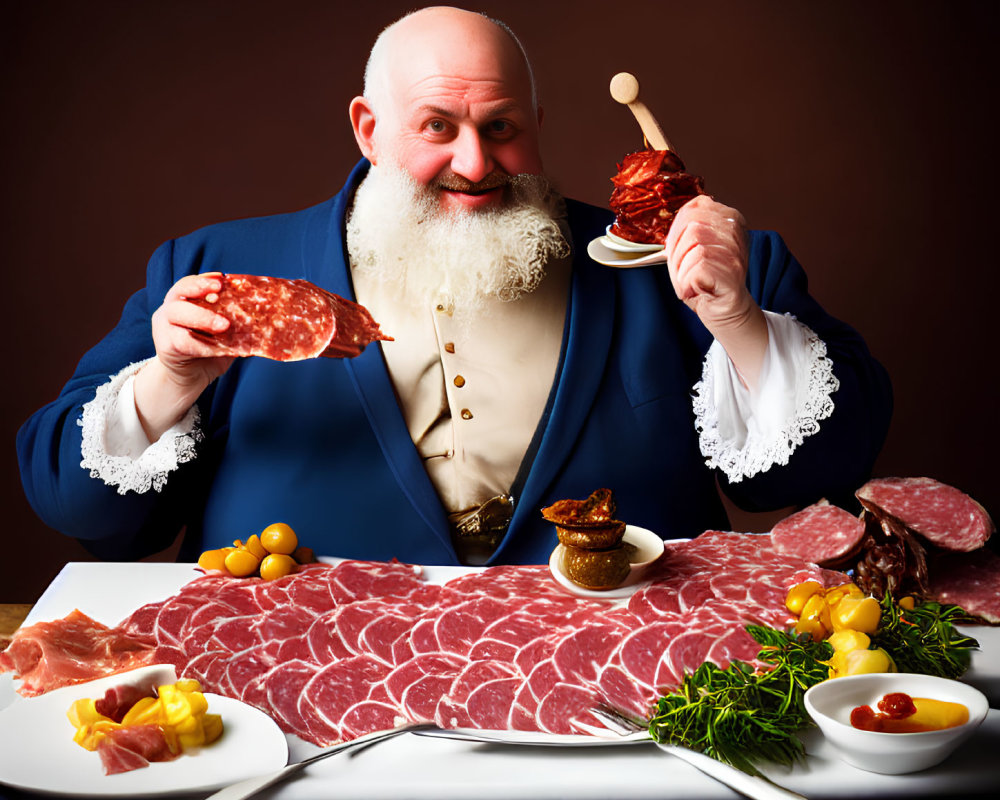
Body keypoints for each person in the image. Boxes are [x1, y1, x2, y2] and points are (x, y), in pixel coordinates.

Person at [17, 6, 891, 567]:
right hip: (301, 702)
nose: (476, 164)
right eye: (438, 126)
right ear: (369, 127)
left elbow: (828, 466)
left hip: (627, 696)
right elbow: (81, 510)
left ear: (536, 126)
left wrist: (736, 317)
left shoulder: (689, 262)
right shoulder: (209, 271)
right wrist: (171, 380)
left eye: (502, 127)